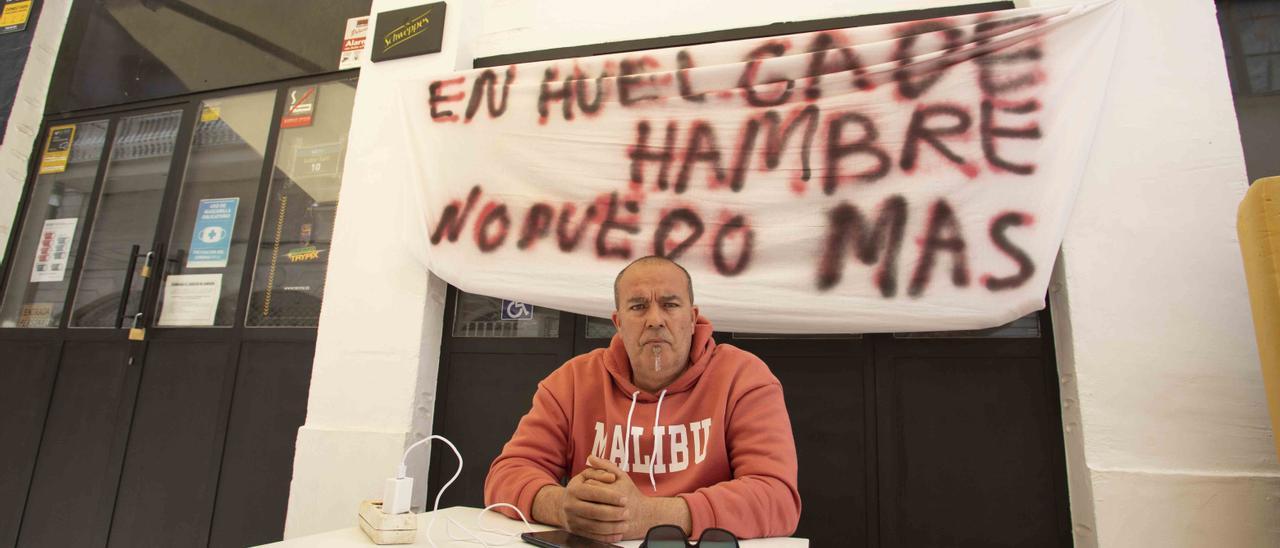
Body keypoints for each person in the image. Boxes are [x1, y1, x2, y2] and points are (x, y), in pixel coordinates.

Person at [484, 256, 801, 542]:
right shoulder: (572, 381)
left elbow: (777, 498)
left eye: (670, 305)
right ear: (618, 323)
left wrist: (650, 517)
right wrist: (561, 506)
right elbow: (507, 472)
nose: (655, 319)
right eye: (637, 306)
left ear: (692, 319)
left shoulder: (744, 377)